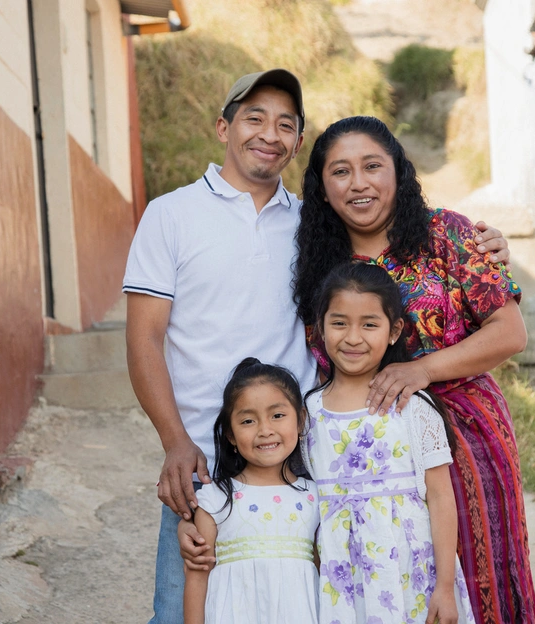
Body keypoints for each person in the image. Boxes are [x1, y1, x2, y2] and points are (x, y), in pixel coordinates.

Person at [124, 68, 510, 624]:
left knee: (308, 602)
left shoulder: (313, 227)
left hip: (305, 460)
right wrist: (174, 440)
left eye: (286, 124)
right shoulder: (171, 214)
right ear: (222, 127)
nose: (269, 134)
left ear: (298, 143)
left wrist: (483, 242)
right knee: (186, 606)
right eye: (253, 118)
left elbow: (388, 227)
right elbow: (143, 339)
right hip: (206, 462)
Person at [293, 116, 535, 624]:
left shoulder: (447, 233)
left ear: (398, 173)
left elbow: (509, 332)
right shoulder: (317, 260)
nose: (358, 183)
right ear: (322, 190)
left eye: (372, 166)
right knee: (380, 579)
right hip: (366, 448)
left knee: (479, 572)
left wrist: (421, 370)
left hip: (468, 437)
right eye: (340, 171)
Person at [303, 262, 477, 624]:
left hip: (412, 577)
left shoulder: (413, 408)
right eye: (339, 323)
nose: (353, 337)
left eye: (369, 324)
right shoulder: (307, 415)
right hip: (342, 585)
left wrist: (445, 587)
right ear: (319, 328)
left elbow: (441, 497)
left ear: (394, 331)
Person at [184, 358, 319, 624]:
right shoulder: (216, 499)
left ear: (301, 420)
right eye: (248, 421)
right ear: (230, 435)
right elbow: (197, 578)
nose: (265, 430)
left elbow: (321, 569)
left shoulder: (314, 497)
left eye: (278, 415)